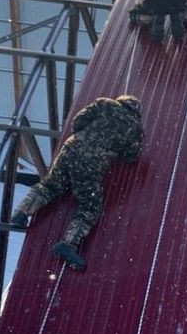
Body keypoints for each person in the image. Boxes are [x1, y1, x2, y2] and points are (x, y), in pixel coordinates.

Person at [10, 95, 143, 270]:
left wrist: (81, 135)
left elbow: (79, 119)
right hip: (91, 162)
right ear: (136, 112)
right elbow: (131, 156)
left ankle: (21, 213)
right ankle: (68, 243)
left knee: (50, 184)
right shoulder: (134, 127)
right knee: (90, 206)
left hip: (71, 147)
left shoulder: (104, 103)